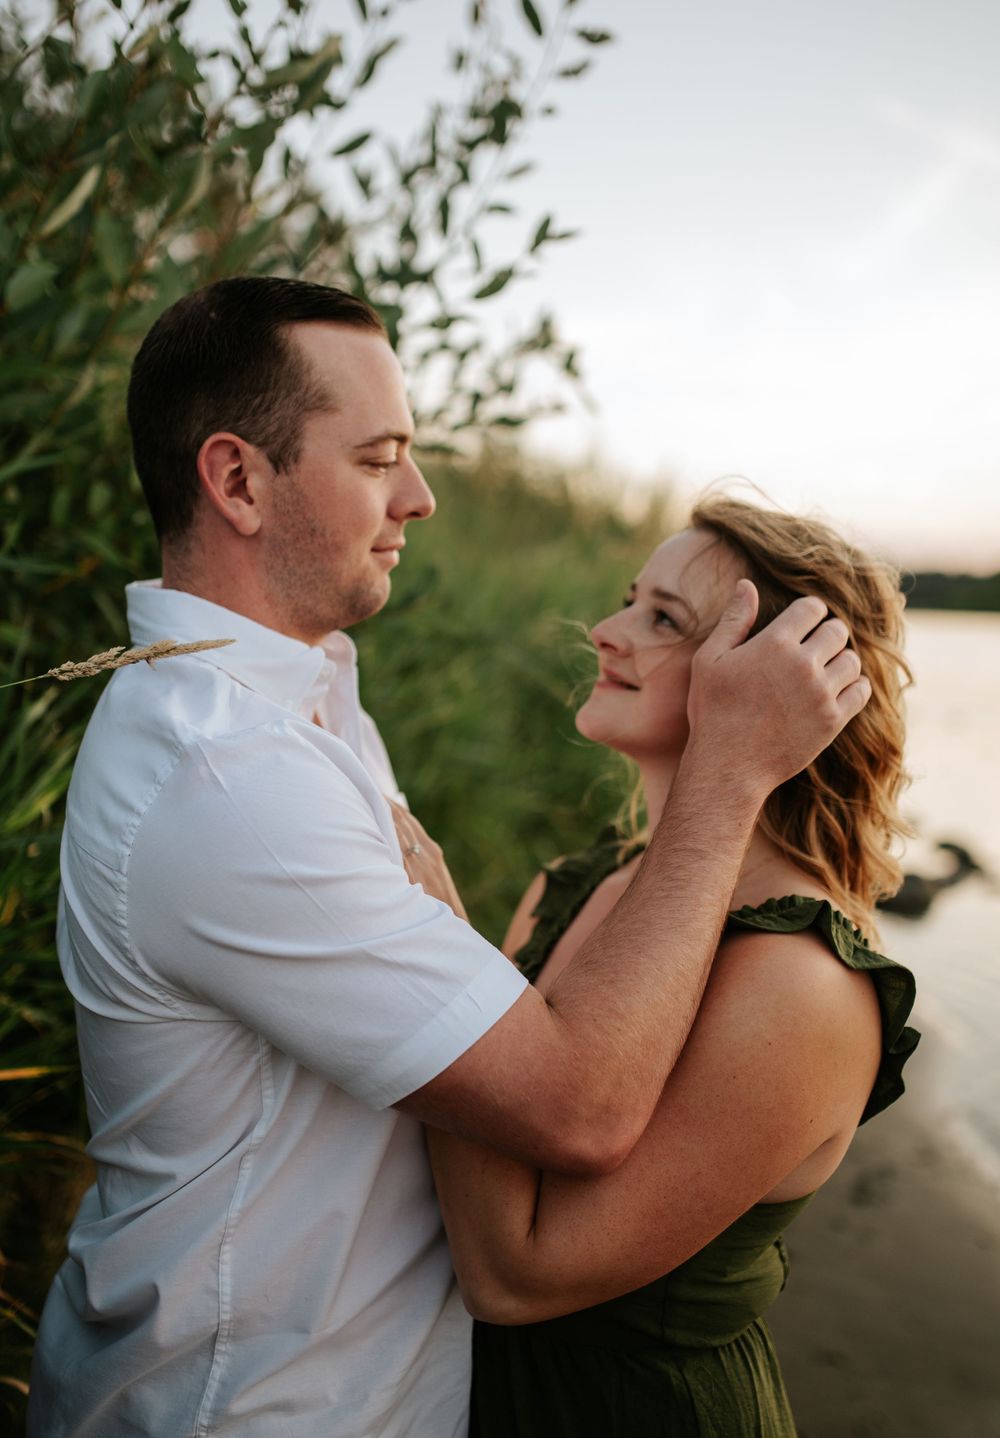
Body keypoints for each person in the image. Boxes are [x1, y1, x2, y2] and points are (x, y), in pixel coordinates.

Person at [28, 278, 870, 1438]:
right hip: (257, 1408)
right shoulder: (230, 774)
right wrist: (725, 775)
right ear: (238, 481)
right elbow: (572, 1111)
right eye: (379, 459)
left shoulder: (308, 695)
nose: (419, 497)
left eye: (663, 617)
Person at [424, 496, 921, 1437]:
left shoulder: (803, 981)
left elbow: (516, 1274)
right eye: (630, 600)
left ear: (778, 683)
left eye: (664, 619)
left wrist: (431, 948)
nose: (606, 633)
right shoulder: (568, 885)